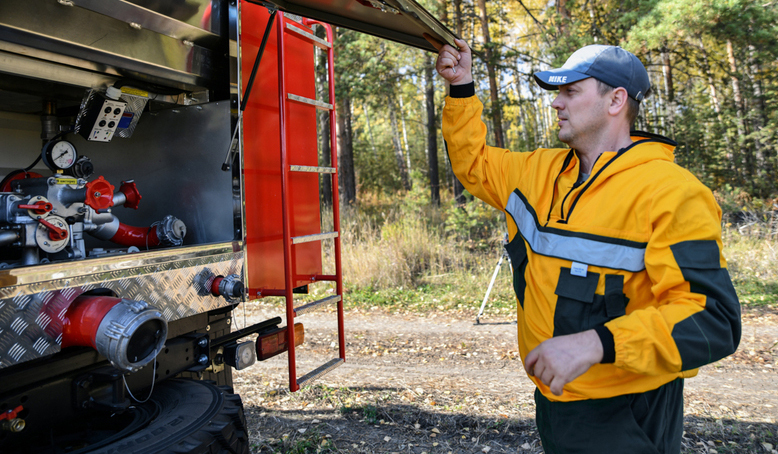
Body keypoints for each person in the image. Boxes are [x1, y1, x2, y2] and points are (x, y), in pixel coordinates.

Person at [428, 37, 742, 453]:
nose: (557, 103)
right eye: (558, 93)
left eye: (571, 91)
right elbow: (474, 164)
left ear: (615, 100)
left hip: (629, 410)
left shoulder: (673, 193)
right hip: (555, 402)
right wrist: (461, 86)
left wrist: (598, 343)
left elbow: (713, 320)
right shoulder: (537, 172)